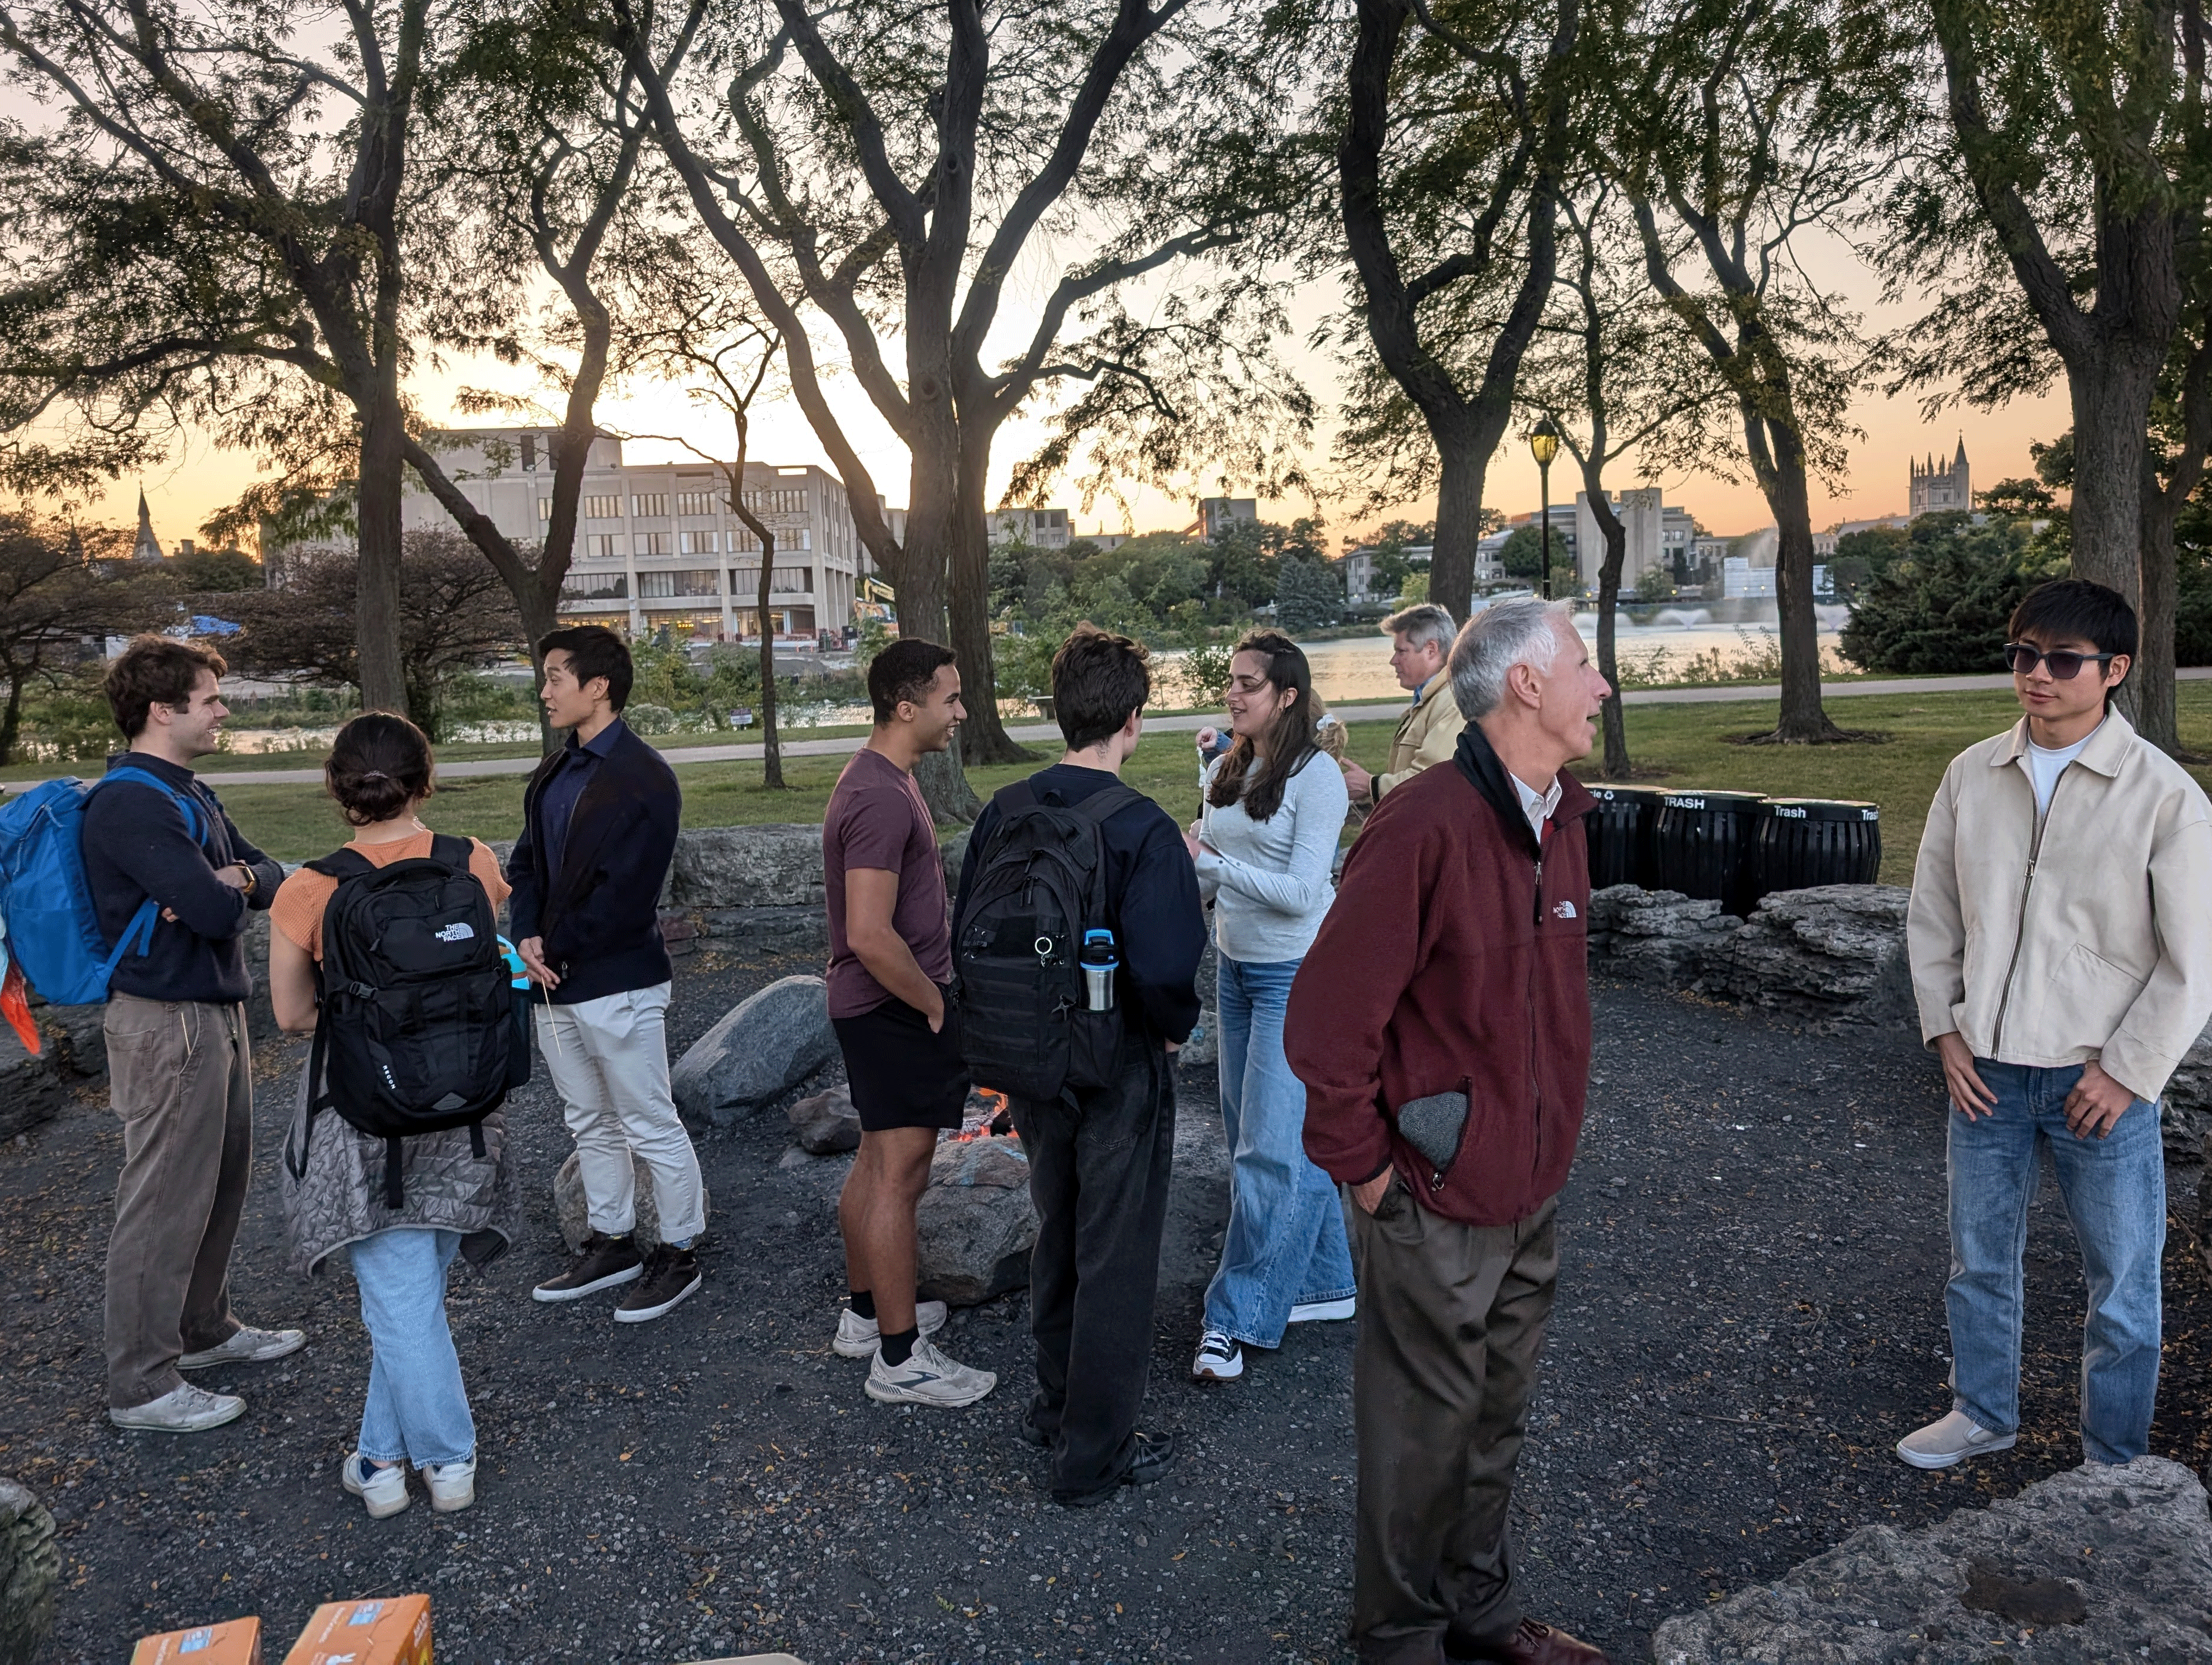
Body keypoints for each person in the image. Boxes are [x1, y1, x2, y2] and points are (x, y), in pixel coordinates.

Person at [1287, 597, 1613, 1665]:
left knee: (1495, 1421)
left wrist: (1543, 1144)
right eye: (1581, 664)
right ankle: (1399, 1642)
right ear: (1525, 684)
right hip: (1429, 1196)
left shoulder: (1561, 813)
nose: (1599, 683)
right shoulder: (1424, 824)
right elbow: (1328, 1022)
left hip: (1529, 1191)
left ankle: (1478, 1612)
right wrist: (1367, 1170)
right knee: (1419, 1440)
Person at [1902, 578, 2212, 1471]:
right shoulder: (1971, 774)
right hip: (1984, 1073)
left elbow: (2191, 960)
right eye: (2023, 654)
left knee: (2122, 1284)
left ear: (2113, 670)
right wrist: (1945, 1032)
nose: (2037, 674)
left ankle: (2114, 1462)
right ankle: (1981, 1412)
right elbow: (1934, 916)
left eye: (2062, 659)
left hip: (2098, 1083)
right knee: (1978, 1260)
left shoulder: (2164, 796)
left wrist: (2126, 1071)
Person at [955, 625, 1206, 1504]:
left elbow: (967, 931)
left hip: (1026, 1059)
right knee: (1116, 1252)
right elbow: (1168, 966)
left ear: (1059, 711)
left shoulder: (1005, 808)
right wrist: (1176, 1028)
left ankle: (1056, 1405)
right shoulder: (1141, 828)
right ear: (1133, 720)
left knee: (1056, 1227)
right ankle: (1093, 1456)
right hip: (1118, 1064)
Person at [269, 714, 520, 1519]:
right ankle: (380, 1452)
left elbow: (291, 1015)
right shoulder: (473, 861)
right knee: (411, 1296)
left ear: (339, 790)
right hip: (464, 1107)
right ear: (426, 778)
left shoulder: (310, 889)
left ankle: (442, 1461)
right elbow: (485, 973)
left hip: (365, 1116)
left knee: (402, 1297)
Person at [81, 635, 300, 1434]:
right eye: (209, 699)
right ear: (161, 710)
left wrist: (232, 878)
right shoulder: (132, 801)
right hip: (166, 1020)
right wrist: (224, 889)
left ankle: (202, 1332)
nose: (222, 710)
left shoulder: (187, 790)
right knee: (164, 1199)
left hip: (212, 1010)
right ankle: (139, 1385)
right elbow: (212, 913)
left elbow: (270, 876)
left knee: (219, 1181)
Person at [509, 625, 706, 1322]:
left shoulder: (646, 777)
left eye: (556, 676)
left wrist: (550, 949)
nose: (545, 689)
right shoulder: (555, 770)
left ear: (599, 686)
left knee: (650, 1121)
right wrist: (524, 936)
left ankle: (678, 1252)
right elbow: (525, 863)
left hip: (617, 979)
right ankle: (612, 1239)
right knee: (587, 1119)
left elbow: (628, 895)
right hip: (551, 979)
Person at [823, 638, 996, 1407]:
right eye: (949, 698)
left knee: (872, 1164)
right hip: (893, 1011)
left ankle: (866, 1315)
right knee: (900, 1177)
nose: (960, 712)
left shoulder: (882, 782)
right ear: (906, 705)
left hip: (879, 1011)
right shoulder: (879, 797)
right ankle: (901, 1361)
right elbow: (868, 930)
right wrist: (932, 1003)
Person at [1185, 631, 1354, 1384]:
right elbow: (1216, 858)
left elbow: (1305, 892)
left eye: (1247, 683)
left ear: (1286, 694)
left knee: (1266, 1151)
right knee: (1262, 1137)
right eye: (1231, 681)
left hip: (1295, 972)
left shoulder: (1317, 778)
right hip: (1235, 966)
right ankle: (1324, 1283)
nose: (1233, 692)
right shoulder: (1233, 761)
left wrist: (1214, 863)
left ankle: (1235, 1319)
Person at [1341, 602, 1462, 814]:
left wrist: (1371, 785)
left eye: (1401, 651)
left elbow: (1431, 778)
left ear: (1431, 650)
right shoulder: (1432, 700)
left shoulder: (1452, 701)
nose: (1393, 661)